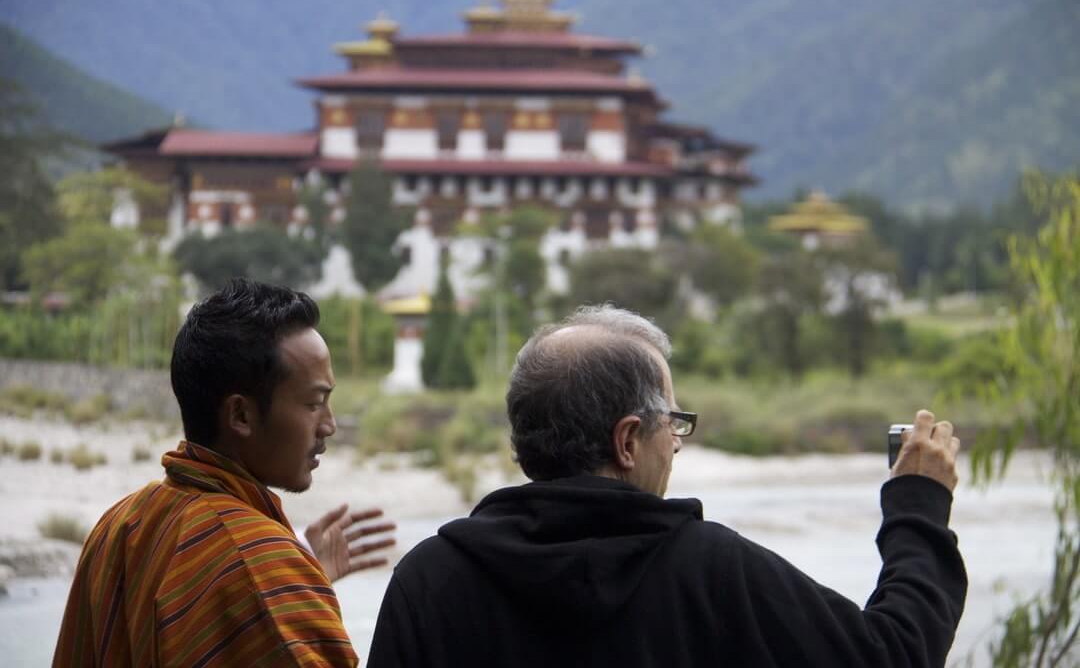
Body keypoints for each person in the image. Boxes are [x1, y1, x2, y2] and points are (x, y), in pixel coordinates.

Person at [367, 305, 967, 667]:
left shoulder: (431, 578)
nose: (675, 445)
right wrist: (918, 510)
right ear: (628, 441)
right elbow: (894, 658)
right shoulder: (711, 571)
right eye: (673, 424)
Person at [53, 279, 395, 667]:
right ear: (241, 415)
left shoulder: (120, 525)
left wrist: (304, 580)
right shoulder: (262, 565)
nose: (329, 425)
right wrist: (286, 582)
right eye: (314, 404)